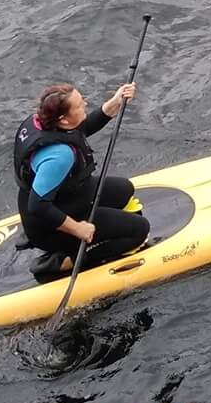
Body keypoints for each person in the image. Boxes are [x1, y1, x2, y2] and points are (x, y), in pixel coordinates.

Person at [15, 80, 149, 282]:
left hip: (65, 197)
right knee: (138, 230)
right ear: (63, 119)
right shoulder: (59, 156)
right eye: (79, 104)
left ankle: (72, 238)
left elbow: (80, 129)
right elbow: (38, 206)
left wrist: (115, 102)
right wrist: (79, 229)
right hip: (46, 224)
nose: (85, 103)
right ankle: (65, 259)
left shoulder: (43, 121)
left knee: (124, 189)